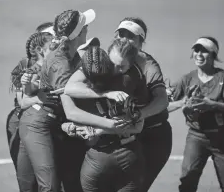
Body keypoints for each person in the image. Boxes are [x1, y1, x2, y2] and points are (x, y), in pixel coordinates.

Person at [65, 17, 172, 191]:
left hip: (152, 134)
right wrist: (107, 94)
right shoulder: (107, 59)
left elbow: (162, 100)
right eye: (121, 34)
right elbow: (70, 88)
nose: (124, 39)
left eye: (131, 36)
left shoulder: (145, 64)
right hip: (122, 137)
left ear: (141, 42)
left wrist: (138, 116)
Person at [20, 9, 96, 192]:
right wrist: (104, 95)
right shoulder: (60, 63)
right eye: (85, 25)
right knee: (49, 186)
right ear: (78, 33)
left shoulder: (70, 52)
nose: (87, 28)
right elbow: (70, 102)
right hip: (38, 124)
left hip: (55, 123)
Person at [64, 42, 149, 192]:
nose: (115, 70)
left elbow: (137, 125)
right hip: (100, 152)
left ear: (131, 65)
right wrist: (106, 94)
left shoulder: (131, 79)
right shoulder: (98, 63)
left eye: (121, 67)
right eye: (112, 64)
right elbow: (69, 89)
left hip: (115, 151)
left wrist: (100, 130)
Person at [169, 36, 224, 192]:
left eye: (205, 51)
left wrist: (212, 105)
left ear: (213, 55)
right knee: (187, 184)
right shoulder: (188, 79)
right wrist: (183, 104)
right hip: (197, 137)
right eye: (197, 50)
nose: (199, 54)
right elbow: (165, 100)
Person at [7, 22, 55, 172]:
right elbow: (22, 102)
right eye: (49, 36)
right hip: (20, 120)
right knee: (26, 175)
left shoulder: (57, 62)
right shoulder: (24, 65)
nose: (53, 40)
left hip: (46, 120)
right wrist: (38, 98)